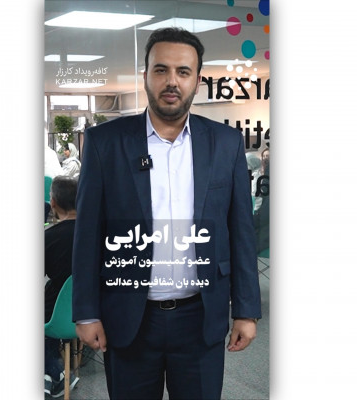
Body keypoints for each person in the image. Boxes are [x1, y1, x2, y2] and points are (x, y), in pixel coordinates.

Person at [72, 27, 261, 399]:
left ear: (197, 80)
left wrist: (246, 310)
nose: (172, 81)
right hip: (129, 317)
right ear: (146, 76)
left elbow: (240, 231)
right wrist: (86, 312)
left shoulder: (225, 143)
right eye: (161, 70)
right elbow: (88, 234)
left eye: (183, 71)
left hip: (200, 317)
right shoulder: (105, 143)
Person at [45, 176, 79, 397]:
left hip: (55, 317)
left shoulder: (48, 237)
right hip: (91, 315)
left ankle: (54, 373)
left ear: (53, 203)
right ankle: (56, 371)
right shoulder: (96, 233)